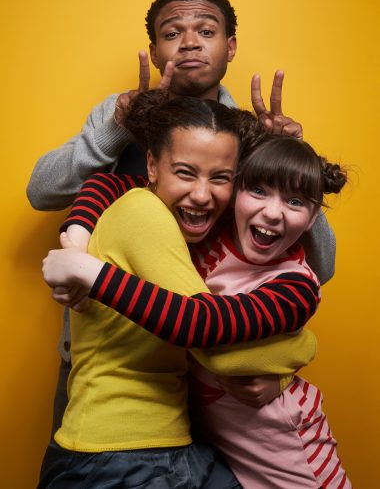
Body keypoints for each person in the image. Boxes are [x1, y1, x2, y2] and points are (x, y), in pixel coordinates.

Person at [43, 98, 350, 487]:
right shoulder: (152, 212)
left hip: (278, 456)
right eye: (186, 172)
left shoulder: (284, 276)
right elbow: (108, 183)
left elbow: (202, 330)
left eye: (220, 178)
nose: (203, 195)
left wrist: (89, 270)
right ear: (152, 166)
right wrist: (76, 236)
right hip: (125, 450)